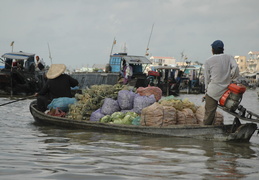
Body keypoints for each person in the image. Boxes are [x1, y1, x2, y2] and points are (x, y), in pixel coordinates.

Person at [203, 40, 239, 125]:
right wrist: (233, 80)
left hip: (213, 91)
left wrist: (206, 91)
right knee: (232, 108)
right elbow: (236, 68)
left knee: (209, 114)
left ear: (213, 50)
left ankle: (206, 130)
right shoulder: (229, 57)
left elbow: (207, 79)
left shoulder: (208, 61)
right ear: (223, 49)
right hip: (227, 90)